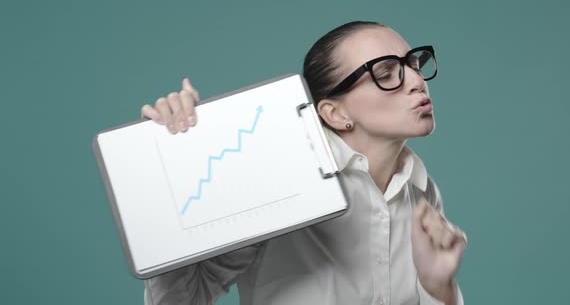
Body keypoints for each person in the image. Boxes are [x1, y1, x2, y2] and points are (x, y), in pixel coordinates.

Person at [140, 21, 467, 305]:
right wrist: (172, 164)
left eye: (413, 64)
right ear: (335, 114)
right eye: (386, 73)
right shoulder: (280, 180)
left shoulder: (422, 191)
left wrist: (441, 289)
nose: (417, 81)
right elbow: (187, 297)